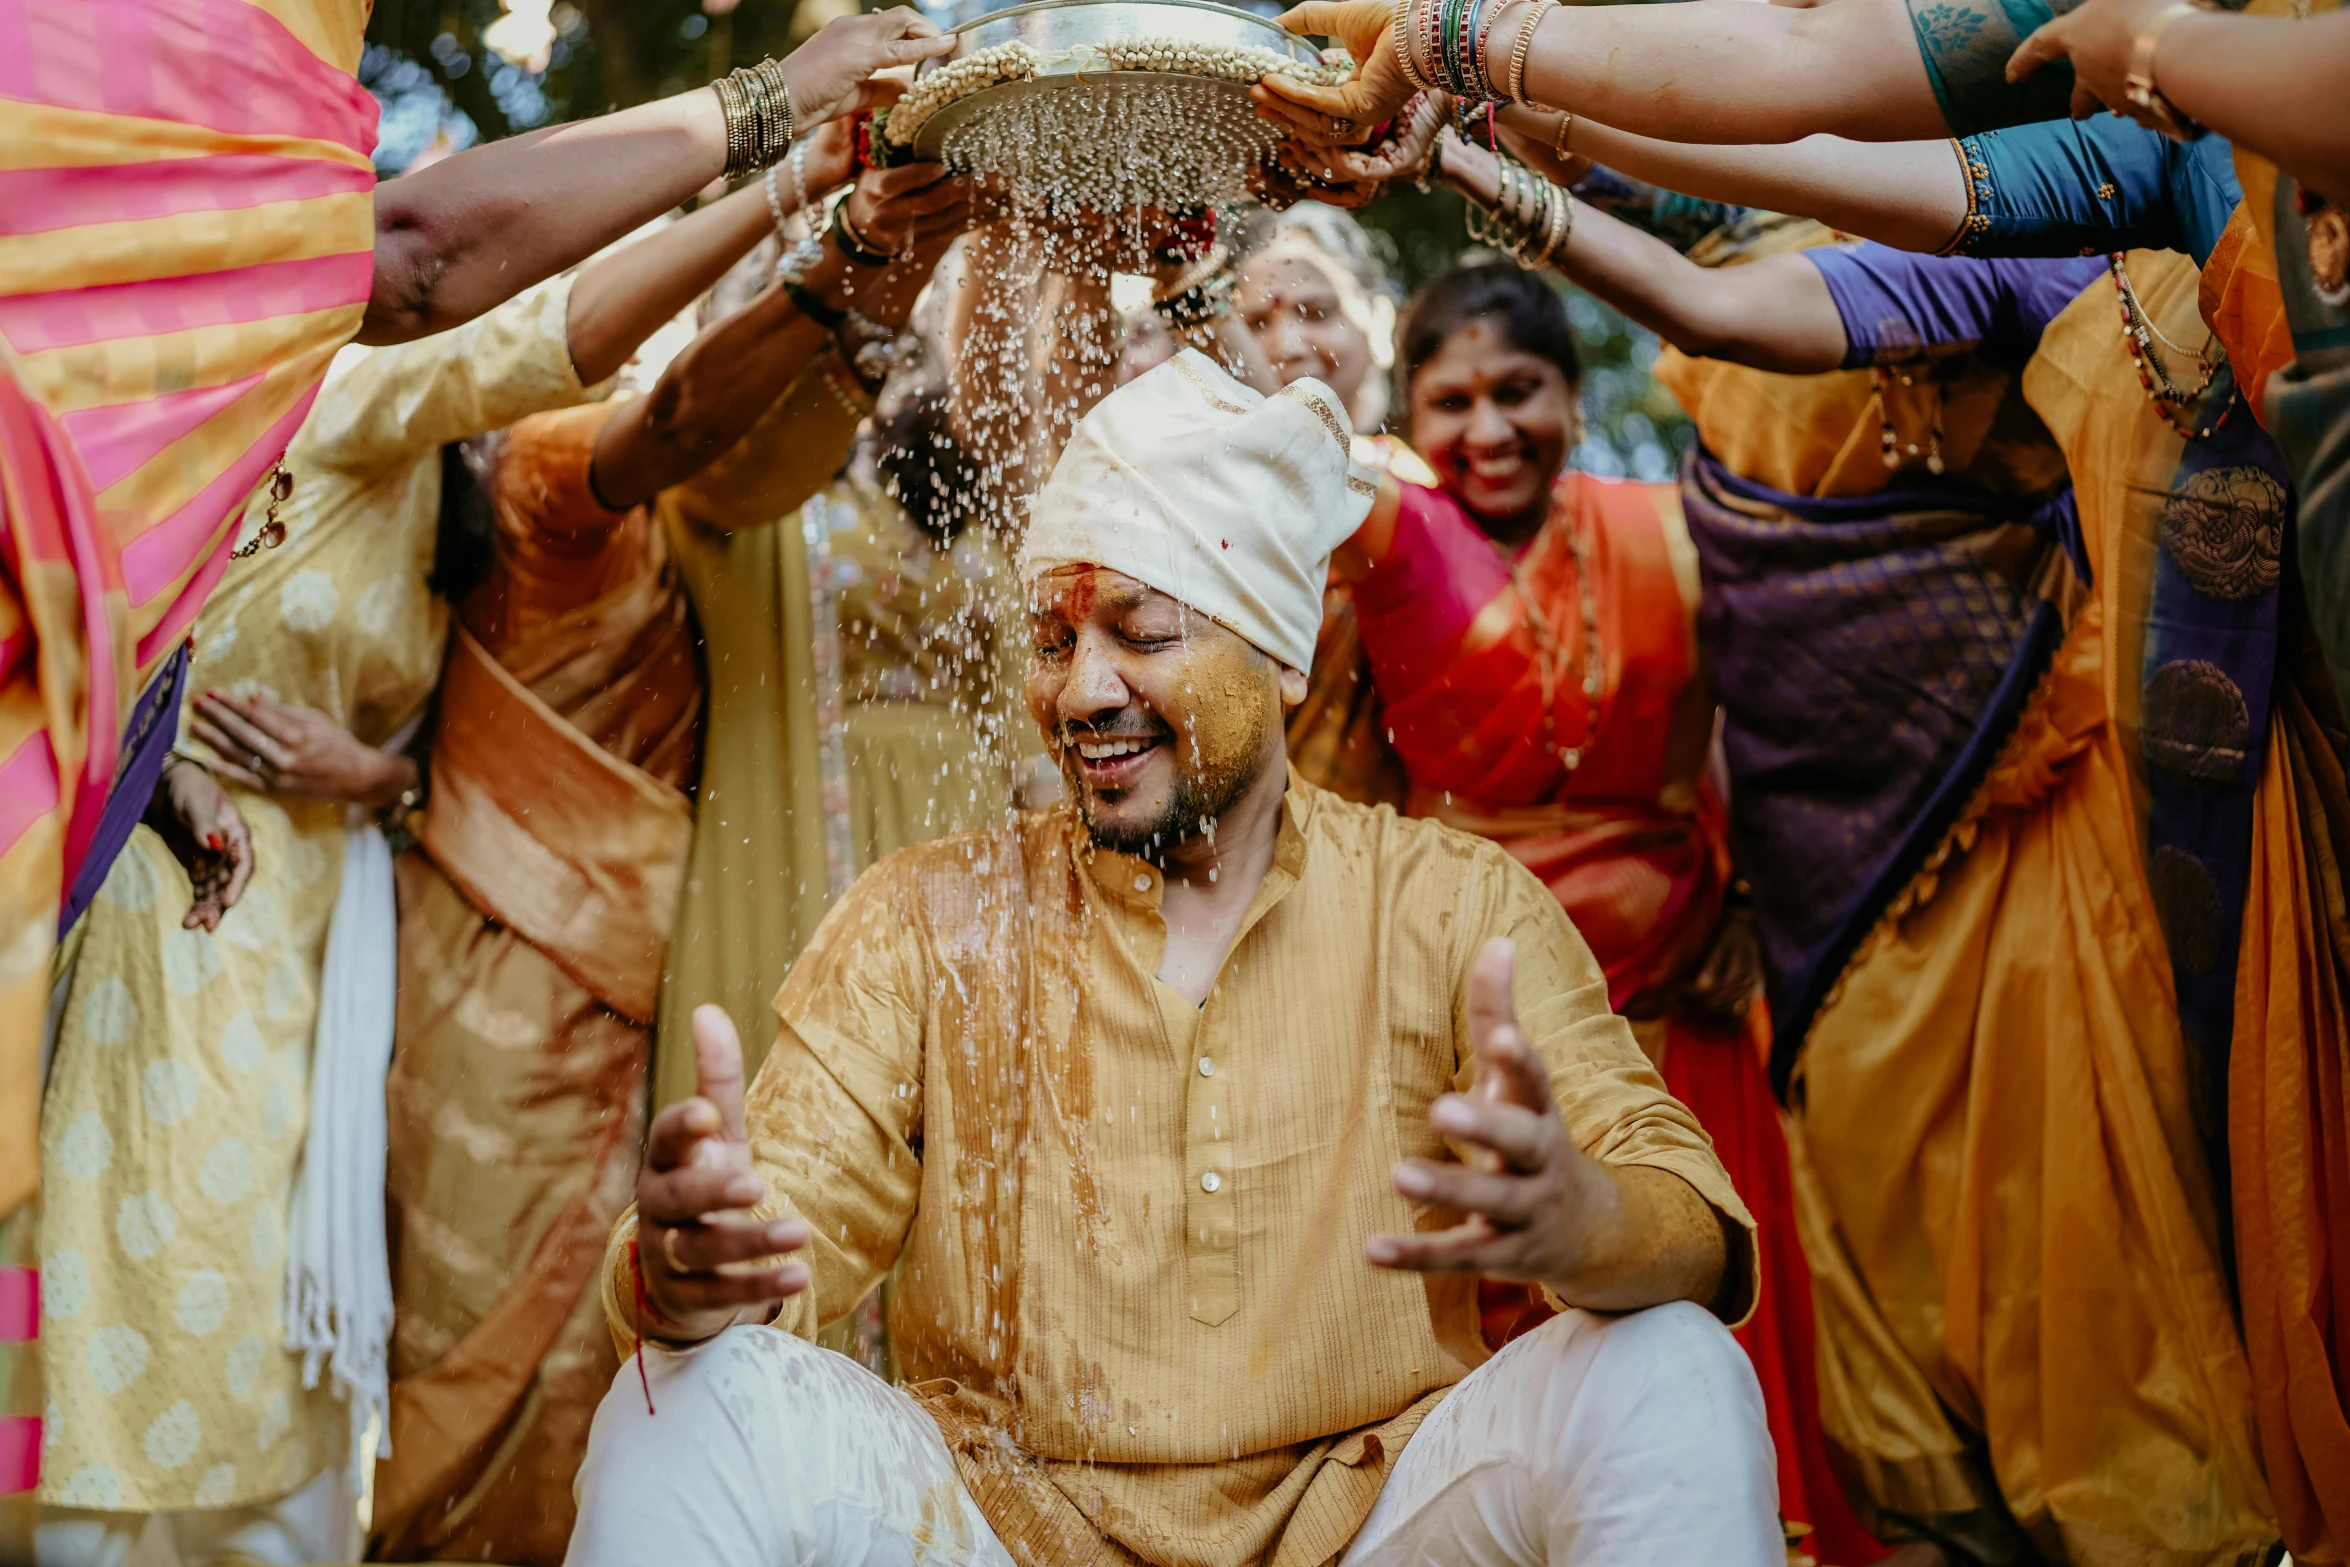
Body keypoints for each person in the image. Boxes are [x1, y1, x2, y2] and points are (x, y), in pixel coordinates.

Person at [567, 350, 1780, 1567]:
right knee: (687, 1399)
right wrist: (691, 1267)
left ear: (1284, 657)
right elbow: (771, 1224)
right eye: (1051, 639)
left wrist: (1584, 1221)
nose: (1084, 689)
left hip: (1372, 1527)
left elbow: (1690, 1220)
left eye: (1142, 632)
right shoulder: (929, 917)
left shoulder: (1452, 903)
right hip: (999, 1534)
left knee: (1665, 1363)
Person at [0, 1, 954, 1221]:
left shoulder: (428, 474)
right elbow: (432, 267)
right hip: (214, 965)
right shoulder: (343, 381)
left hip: (338, 964)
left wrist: (346, 772)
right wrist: (787, 135)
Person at [21, 174, 809, 1567]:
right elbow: (528, 338)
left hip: (357, 950)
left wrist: (375, 775)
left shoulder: (467, 497)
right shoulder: (329, 402)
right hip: (193, 910)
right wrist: (777, 162)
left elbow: (445, 741)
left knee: (303, 1351)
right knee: (149, 1327)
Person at [372, 160, 970, 1567]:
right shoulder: (622, 465)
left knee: (651, 1332)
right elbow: (694, 422)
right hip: (528, 981)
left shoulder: (867, 499)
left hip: (664, 962)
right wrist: (849, 240)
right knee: (501, 1354)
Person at [1322, 258, 1879, 1566]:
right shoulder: (1380, 539)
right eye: (1451, 400)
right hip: (1475, 1033)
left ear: (1570, 396)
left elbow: (1736, 729)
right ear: (1412, 410)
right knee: (1510, 1385)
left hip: (1676, 1019)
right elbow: (1342, 783)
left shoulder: (1663, 531)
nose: (1487, 428)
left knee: (1693, 1348)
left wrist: (1745, 897)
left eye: (1517, 390)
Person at [1232, 204, 1425, 811]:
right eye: (1255, 323)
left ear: (1379, 320)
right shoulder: (1212, 488)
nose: (1285, 344)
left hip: (1388, 860)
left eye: (1316, 312)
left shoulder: (1425, 488)